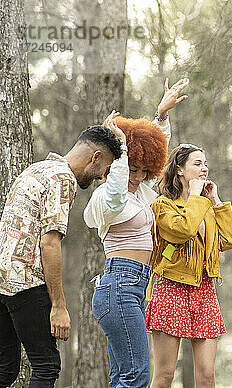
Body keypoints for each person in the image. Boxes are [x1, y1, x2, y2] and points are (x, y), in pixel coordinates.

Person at [83, 78, 188, 387]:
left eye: (144, 171)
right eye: (133, 169)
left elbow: (156, 151)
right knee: (137, 376)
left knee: (122, 377)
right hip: (119, 285)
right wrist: (119, 147)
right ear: (117, 164)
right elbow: (117, 187)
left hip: (135, 286)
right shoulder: (107, 198)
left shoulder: (140, 195)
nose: (139, 176)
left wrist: (161, 117)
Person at [0, 123, 122, 387]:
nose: (103, 177)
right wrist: (58, 306)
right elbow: (50, 243)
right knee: (46, 367)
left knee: (5, 369)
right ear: (96, 157)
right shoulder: (63, 178)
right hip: (25, 283)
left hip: (2, 281)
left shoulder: (38, 169)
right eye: (106, 169)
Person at [146, 144, 232, 388]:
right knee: (165, 375)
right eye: (197, 164)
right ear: (179, 170)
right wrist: (198, 199)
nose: (204, 169)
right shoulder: (163, 205)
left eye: (205, 164)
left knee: (207, 375)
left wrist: (216, 201)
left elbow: (230, 240)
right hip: (170, 289)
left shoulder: (206, 207)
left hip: (204, 290)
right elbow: (182, 230)